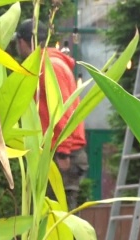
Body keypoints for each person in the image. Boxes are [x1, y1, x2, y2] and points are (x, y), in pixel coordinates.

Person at [16, 19, 88, 207]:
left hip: (62, 153)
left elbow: (62, 110)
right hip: (58, 150)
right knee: (50, 212)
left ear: (23, 42)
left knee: (57, 216)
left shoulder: (49, 66)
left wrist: (63, 152)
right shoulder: (47, 64)